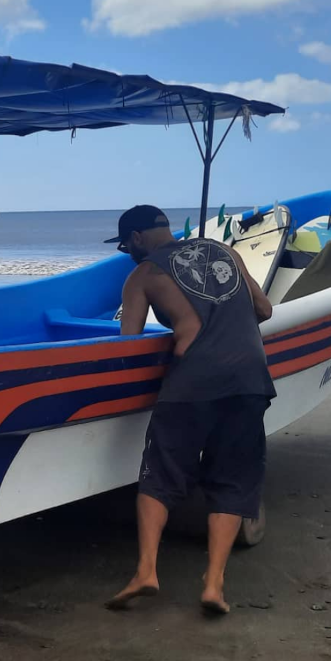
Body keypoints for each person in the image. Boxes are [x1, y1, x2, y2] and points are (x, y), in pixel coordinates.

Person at [104, 205, 275, 615]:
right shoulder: (225, 252)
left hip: (192, 382)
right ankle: (213, 585)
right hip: (250, 380)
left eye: (126, 242)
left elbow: (127, 343)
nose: (127, 250)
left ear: (139, 238)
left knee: (160, 473)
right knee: (232, 479)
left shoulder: (142, 275)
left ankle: (147, 571)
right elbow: (264, 310)